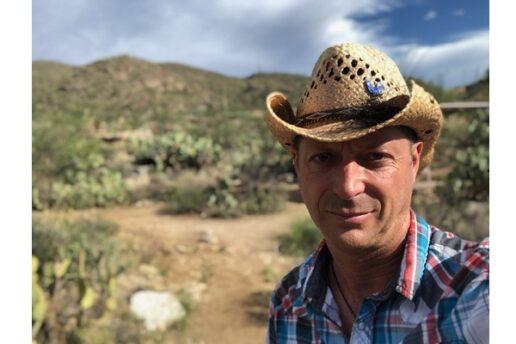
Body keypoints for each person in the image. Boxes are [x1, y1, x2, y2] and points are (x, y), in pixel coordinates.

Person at [263, 43, 489, 343]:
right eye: (323, 158)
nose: (348, 186)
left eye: (375, 157)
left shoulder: (474, 290)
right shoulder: (288, 304)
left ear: (414, 160)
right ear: (298, 167)